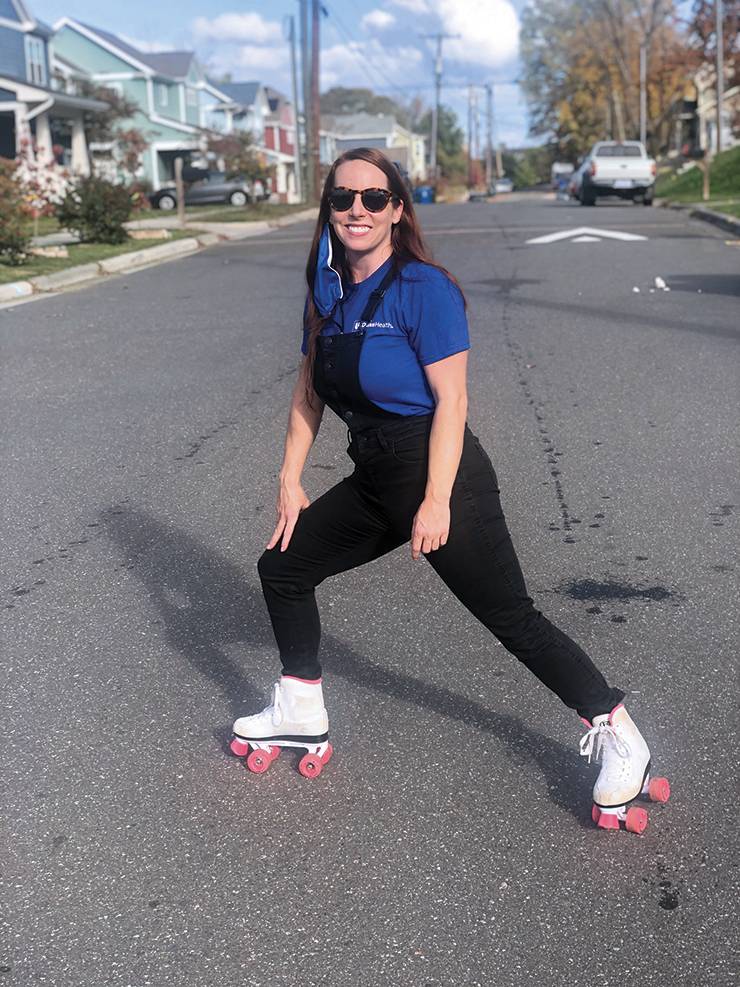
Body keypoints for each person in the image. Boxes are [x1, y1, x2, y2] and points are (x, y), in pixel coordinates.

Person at [231, 148, 670, 830]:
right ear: (329, 208)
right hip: (378, 475)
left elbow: (452, 400)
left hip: (442, 471)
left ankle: (620, 735)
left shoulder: (423, 288)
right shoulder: (327, 292)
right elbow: (308, 392)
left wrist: (434, 500)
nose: (357, 210)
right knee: (283, 566)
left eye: (374, 198)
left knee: (512, 618)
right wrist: (289, 479)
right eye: (343, 198)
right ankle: (299, 705)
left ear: (397, 210)